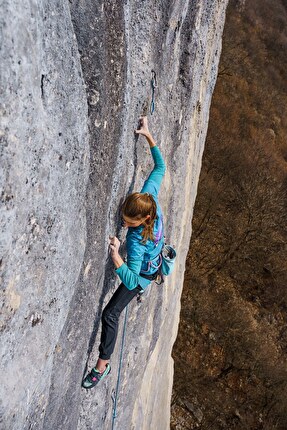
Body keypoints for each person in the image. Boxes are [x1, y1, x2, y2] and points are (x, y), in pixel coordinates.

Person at [82, 116, 166, 389]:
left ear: (141, 221)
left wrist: (117, 255)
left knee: (110, 314)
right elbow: (160, 167)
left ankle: (102, 367)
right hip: (151, 259)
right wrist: (148, 135)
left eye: (129, 221)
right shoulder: (149, 197)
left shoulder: (137, 240)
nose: (124, 222)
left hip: (142, 275)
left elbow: (130, 280)